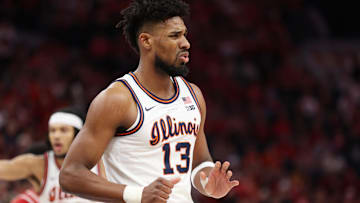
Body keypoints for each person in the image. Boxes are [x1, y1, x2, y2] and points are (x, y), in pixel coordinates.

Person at [59, 0, 239, 202]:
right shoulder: (118, 99)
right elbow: (70, 174)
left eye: (184, 35)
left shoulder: (193, 95)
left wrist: (208, 183)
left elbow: (200, 161)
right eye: (174, 36)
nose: (186, 43)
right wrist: (137, 195)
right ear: (146, 41)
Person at [0, 107, 105, 202]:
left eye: (63, 130)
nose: (56, 136)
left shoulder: (100, 161)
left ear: (78, 134)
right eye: (52, 131)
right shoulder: (39, 165)